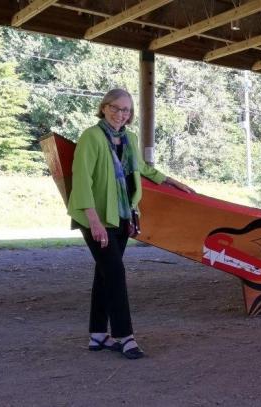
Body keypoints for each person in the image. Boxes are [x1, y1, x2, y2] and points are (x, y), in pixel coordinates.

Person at [68, 88, 194, 359]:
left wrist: (170, 181)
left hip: (122, 215)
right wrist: (94, 221)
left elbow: (142, 169)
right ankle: (126, 337)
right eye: (115, 108)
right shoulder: (91, 137)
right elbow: (81, 180)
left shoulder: (129, 138)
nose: (120, 114)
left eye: (126, 110)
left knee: (105, 273)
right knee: (115, 273)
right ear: (104, 108)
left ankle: (98, 334)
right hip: (96, 218)